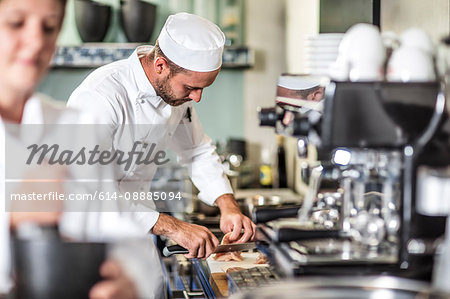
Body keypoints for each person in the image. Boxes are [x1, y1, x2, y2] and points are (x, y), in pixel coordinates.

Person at [67, 12, 256, 260]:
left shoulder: (175, 94)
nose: (197, 98)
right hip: (91, 245)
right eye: (191, 88)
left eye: (202, 88)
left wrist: (227, 205)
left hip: (139, 236)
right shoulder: (100, 97)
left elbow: (196, 150)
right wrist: (175, 228)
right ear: (160, 66)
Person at [0, 0, 147, 298]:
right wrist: (12, 219)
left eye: (49, 27)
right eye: (16, 23)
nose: (36, 41)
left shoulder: (77, 128)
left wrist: (130, 281)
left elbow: (127, 241)